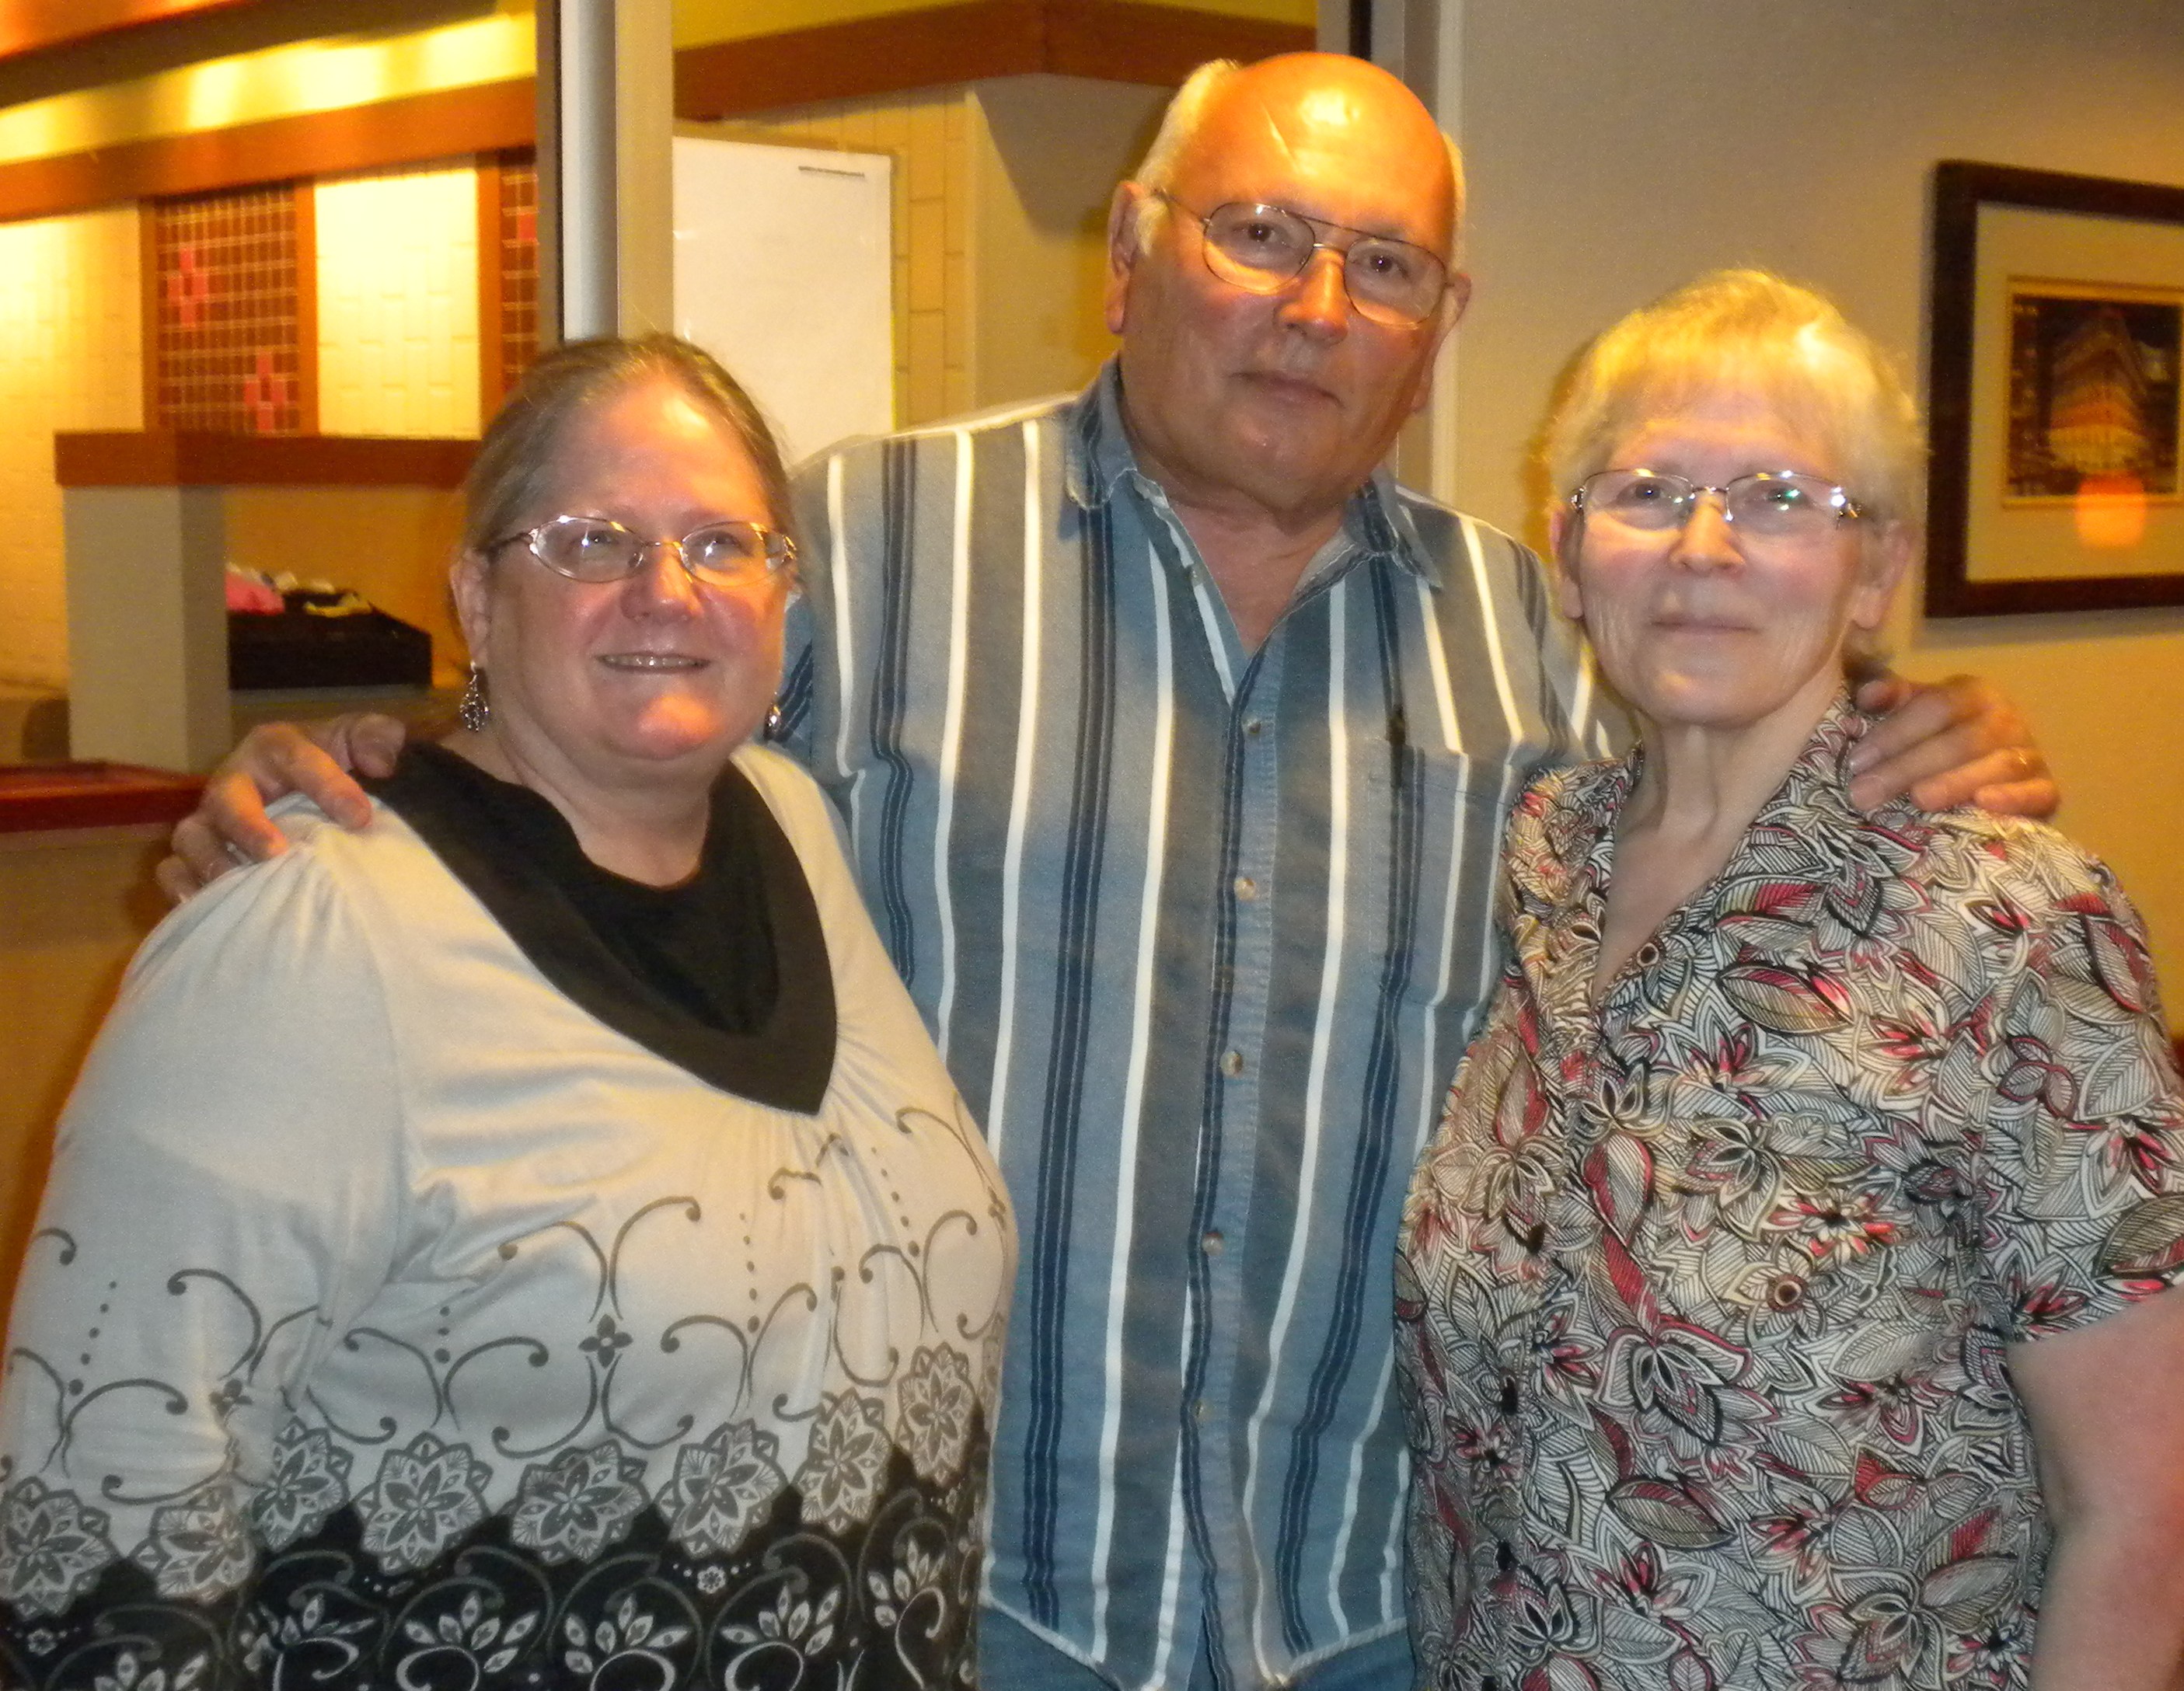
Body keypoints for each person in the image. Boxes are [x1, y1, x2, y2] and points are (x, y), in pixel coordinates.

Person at [155, 57, 2054, 1691]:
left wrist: (1904, 724)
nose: (1316, 303)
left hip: (1370, 1601)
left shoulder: (1543, 644)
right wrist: (364, 763)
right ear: (1132, 249)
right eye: (1258, 235)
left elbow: (1740, 810)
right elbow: (587, 761)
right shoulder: (868, 543)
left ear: (1439, 323)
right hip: (959, 1597)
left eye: (1381, 264)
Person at [0, 336, 1014, 1691]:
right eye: (594, 542)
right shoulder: (310, 928)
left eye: (724, 543)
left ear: (784, 595)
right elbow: (100, 1515)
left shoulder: (793, 827)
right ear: (479, 595)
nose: (668, 589)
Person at [1395, 270, 2184, 1690]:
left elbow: (2144, 1510)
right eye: (1645, 492)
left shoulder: (2009, 930)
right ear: (1569, 558)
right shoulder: (1539, 863)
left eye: (1776, 499)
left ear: (1871, 570)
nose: (1704, 546)